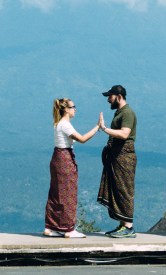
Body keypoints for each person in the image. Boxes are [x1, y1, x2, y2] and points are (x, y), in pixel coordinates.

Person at [44, 97, 99, 238]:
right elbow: (82, 139)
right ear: (66, 109)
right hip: (64, 159)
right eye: (73, 106)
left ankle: (52, 226)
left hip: (57, 157)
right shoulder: (65, 125)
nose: (75, 109)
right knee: (68, 193)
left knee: (56, 193)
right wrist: (98, 127)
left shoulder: (59, 123)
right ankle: (69, 229)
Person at [96, 84, 137, 238]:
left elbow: (125, 134)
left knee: (124, 189)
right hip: (116, 155)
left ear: (119, 97)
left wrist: (105, 128)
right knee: (117, 188)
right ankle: (122, 224)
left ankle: (129, 227)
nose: (108, 100)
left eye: (110, 96)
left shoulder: (127, 113)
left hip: (124, 156)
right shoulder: (120, 113)